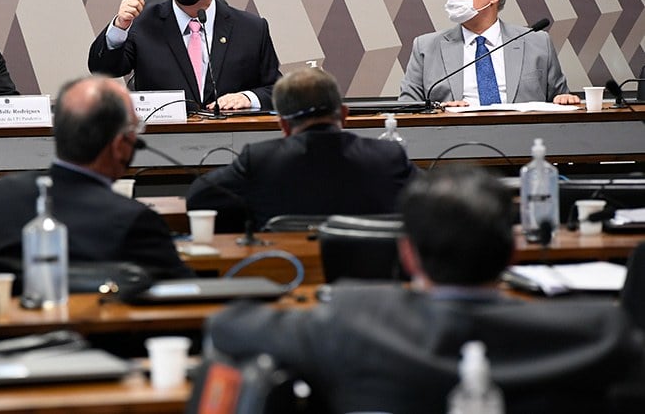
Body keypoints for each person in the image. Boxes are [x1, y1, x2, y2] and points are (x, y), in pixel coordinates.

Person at [207, 165, 645, 413]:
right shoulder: (600, 332)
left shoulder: (352, 317)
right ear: (512, 249)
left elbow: (228, 326)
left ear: (408, 254)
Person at [0, 75, 193, 279]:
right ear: (119, 146)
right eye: (135, 130)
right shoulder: (134, 220)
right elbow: (189, 293)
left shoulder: (2, 195)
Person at [186, 67, 417, 232]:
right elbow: (432, 201)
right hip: (371, 280)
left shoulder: (259, 160)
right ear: (344, 115)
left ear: (283, 125)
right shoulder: (387, 156)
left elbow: (197, 198)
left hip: (285, 276)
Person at [87, 0, 281, 111]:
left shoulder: (251, 29)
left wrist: (247, 98)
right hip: (163, 141)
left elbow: (278, 90)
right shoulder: (143, 23)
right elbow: (103, 70)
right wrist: (121, 24)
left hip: (232, 140)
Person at [400, 0, 580, 107]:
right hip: (454, 138)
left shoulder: (537, 42)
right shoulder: (426, 46)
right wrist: (439, 110)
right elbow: (406, 107)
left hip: (523, 139)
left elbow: (560, 98)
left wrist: (565, 99)